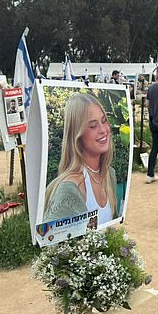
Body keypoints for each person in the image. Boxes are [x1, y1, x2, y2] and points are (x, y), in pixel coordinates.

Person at [43, 93, 118, 224]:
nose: (103, 130)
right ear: (77, 135)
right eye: (93, 126)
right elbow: (49, 240)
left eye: (104, 120)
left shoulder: (109, 174)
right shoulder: (69, 189)